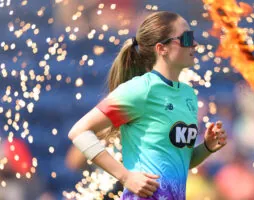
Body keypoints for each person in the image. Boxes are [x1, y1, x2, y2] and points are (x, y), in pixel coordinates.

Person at [68, 11, 227, 200]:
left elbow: (178, 163)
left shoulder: (188, 95)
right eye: (186, 38)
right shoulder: (141, 89)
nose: (194, 44)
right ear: (162, 49)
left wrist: (207, 147)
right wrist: (126, 177)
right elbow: (79, 131)